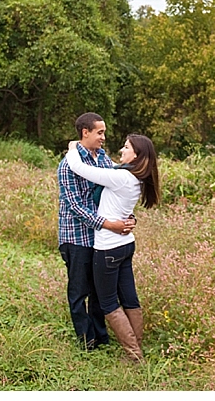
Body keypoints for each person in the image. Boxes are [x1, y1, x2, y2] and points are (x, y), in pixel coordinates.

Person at [65, 133, 160, 362]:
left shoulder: (122, 177)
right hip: (126, 245)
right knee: (130, 299)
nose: (121, 150)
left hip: (108, 248)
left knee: (108, 303)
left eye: (126, 147)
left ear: (136, 155)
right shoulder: (136, 178)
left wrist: (71, 147)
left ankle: (134, 355)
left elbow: (80, 168)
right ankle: (136, 349)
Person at [57, 112, 135, 351]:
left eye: (104, 132)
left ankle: (101, 336)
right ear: (85, 132)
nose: (104, 137)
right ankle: (86, 340)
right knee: (79, 290)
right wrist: (109, 224)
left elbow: (118, 186)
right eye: (100, 132)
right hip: (76, 236)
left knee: (100, 290)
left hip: (100, 237)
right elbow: (76, 206)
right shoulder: (68, 165)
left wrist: (127, 216)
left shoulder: (102, 158)